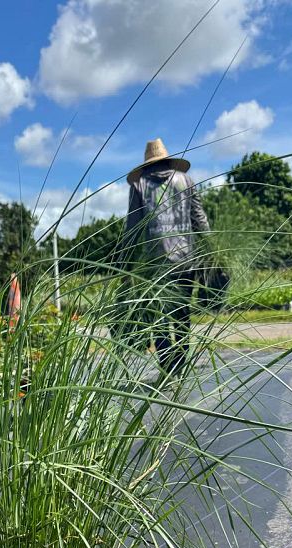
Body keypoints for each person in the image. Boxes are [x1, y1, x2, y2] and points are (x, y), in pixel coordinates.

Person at [120, 138, 210, 373]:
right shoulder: (186, 180)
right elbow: (200, 220)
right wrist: (213, 251)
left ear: (147, 162)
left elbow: (132, 229)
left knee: (159, 318)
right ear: (168, 159)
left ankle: (168, 367)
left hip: (156, 265)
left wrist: (125, 266)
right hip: (186, 262)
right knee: (182, 315)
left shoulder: (139, 185)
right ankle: (179, 367)